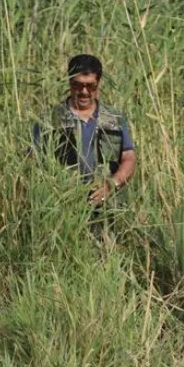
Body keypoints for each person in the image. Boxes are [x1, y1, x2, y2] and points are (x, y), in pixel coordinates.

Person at [32, 54, 136, 239]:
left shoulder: (115, 119)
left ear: (99, 84)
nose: (84, 92)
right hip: (61, 213)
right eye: (77, 85)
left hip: (106, 214)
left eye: (90, 86)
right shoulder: (49, 120)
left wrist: (112, 184)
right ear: (68, 82)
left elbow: (128, 158)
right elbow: (33, 162)